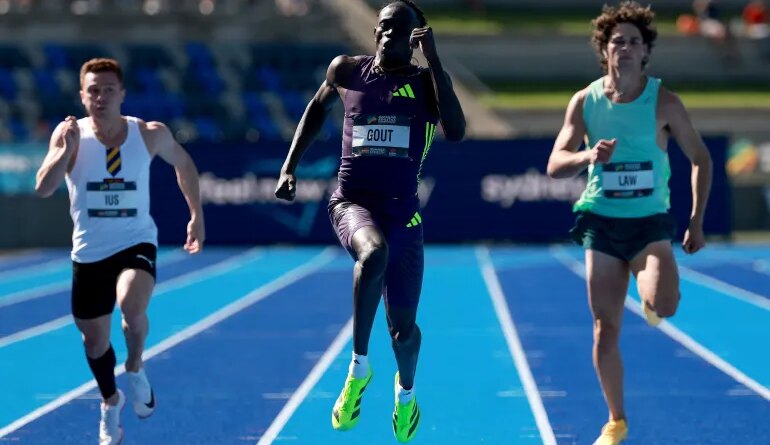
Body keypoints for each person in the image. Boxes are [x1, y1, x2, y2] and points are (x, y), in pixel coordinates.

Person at [274, 1, 465, 442]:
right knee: (372, 252)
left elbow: (454, 130)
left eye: (398, 31)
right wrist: (289, 167)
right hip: (351, 202)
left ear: (416, 38)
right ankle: (358, 367)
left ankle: (406, 394)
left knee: (403, 333)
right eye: (381, 28)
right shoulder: (347, 71)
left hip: (403, 214)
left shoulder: (424, 83)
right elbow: (315, 111)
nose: (385, 37)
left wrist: (435, 61)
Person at [546, 2, 712, 444]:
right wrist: (587, 156)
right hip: (600, 222)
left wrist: (695, 221)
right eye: (616, 40)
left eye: (634, 41)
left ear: (645, 54)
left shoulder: (665, 101)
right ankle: (616, 420)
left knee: (665, 303)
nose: (624, 47)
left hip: (649, 225)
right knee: (605, 326)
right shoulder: (585, 101)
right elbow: (555, 164)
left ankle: (653, 299)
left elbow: (701, 159)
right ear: (605, 51)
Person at [35, 58, 205, 445]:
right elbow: (43, 187)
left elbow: (184, 163)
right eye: (93, 90)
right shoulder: (68, 136)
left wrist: (196, 215)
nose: (100, 97)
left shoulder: (147, 134)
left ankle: (135, 363)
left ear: (122, 94)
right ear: (82, 96)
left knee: (131, 305)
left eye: (108, 89)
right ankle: (111, 400)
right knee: (94, 342)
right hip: (89, 251)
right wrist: (65, 152)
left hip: (135, 240)